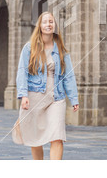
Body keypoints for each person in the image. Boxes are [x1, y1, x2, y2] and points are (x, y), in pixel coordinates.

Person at [12, 11, 79, 160]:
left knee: (57, 136)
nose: (48, 24)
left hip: (57, 98)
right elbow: (22, 72)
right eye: (45, 22)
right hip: (35, 96)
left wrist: (74, 98)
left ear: (54, 25)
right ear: (40, 26)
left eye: (51, 22)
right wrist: (23, 95)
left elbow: (69, 76)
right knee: (35, 138)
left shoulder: (61, 50)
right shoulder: (29, 48)